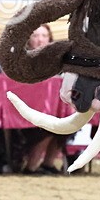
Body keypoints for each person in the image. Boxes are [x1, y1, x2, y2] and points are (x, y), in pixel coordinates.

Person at [17, 24, 67, 174]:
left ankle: (48, 163)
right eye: (36, 35)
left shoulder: (58, 60)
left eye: (44, 36)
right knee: (47, 128)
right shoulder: (22, 59)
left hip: (54, 107)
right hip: (29, 108)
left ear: (50, 39)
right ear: (28, 39)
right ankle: (31, 166)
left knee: (65, 125)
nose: (40, 40)